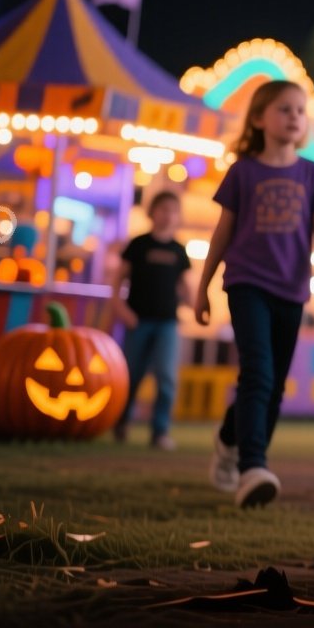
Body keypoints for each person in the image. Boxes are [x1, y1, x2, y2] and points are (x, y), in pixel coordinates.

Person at [196, 80, 314, 509]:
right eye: (284, 109)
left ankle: (229, 441)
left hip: (292, 291)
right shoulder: (243, 171)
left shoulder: (312, 174)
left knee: (272, 384)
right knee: (258, 372)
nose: (295, 116)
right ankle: (253, 467)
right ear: (259, 119)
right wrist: (202, 287)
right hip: (246, 284)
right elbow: (222, 232)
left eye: (300, 110)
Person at [111, 192, 192, 450]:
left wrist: (193, 305)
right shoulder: (138, 245)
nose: (168, 214)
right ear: (152, 212)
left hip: (167, 323)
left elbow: (186, 287)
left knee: (167, 378)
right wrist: (120, 309)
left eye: (173, 210)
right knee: (131, 375)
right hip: (138, 321)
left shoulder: (179, 251)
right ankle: (121, 422)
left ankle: (160, 431)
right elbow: (117, 281)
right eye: (163, 208)